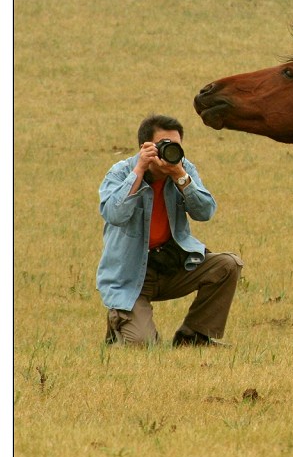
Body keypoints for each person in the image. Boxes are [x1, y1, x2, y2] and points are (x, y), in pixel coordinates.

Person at [96, 114, 243, 347]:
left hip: (171, 265)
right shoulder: (121, 173)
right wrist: (139, 171)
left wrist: (180, 177)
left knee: (228, 265)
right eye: (163, 145)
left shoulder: (183, 170)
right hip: (131, 273)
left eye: (175, 146)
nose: (170, 151)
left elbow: (205, 212)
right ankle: (120, 319)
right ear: (145, 147)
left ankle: (193, 336)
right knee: (144, 345)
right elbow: (115, 214)